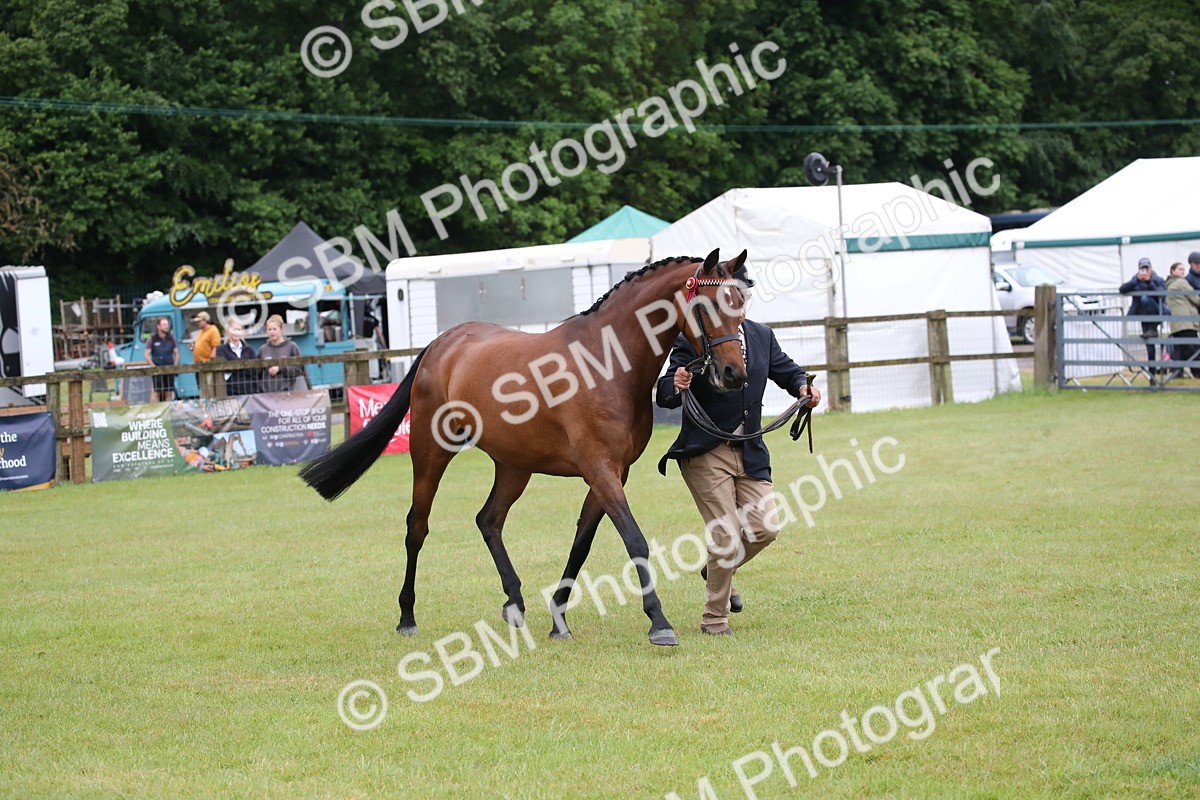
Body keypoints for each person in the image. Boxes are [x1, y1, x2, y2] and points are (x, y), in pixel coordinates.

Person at [655, 280, 821, 636]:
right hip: (705, 452)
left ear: (743, 309)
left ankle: (716, 569)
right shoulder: (695, 339)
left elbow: (787, 372)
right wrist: (678, 382)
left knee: (766, 528)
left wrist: (803, 388)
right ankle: (715, 618)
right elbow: (665, 392)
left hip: (750, 450)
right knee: (727, 535)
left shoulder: (762, 336)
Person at [1119, 258, 1168, 383]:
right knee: (1150, 348)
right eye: (1142, 268)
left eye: (1147, 268)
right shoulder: (1135, 279)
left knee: (1146, 298)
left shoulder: (1158, 279)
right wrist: (1136, 280)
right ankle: (1152, 378)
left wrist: (1150, 282)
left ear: (1151, 268)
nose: (1145, 271)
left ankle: (1154, 376)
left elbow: (1162, 295)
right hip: (1143, 317)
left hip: (1157, 315)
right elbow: (1122, 289)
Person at [258, 314, 310, 393]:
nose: (272, 332)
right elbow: (257, 373)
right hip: (267, 396)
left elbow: (299, 369)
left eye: (274, 329)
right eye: (269, 329)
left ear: (281, 329)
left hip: (287, 393)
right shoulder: (263, 350)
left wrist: (280, 368)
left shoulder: (292, 347)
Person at [1165, 262, 1200, 379]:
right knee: (1193, 348)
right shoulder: (1181, 282)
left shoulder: (1169, 284)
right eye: (1180, 269)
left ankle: (1176, 373)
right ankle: (1197, 372)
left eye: (1183, 270)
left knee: (1179, 349)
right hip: (1187, 322)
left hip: (1176, 323)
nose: (1182, 272)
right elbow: (1195, 298)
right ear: (1172, 271)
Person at [213, 320, 259, 396]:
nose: (236, 332)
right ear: (228, 331)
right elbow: (225, 368)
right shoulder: (221, 350)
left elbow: (255, 369)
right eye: (234, 329)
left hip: (250, 390)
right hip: (230, 391)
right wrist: (246, 365)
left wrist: (235, 366)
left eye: (239, 329)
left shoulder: (249, 349)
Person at [144, 317, 179, 402]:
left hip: (169, 369)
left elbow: (177, 353)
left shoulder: (171, 339)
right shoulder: (152, 339)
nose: (166, 327)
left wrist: (175, 366)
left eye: (167, 325)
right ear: (158, 326)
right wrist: (153, 366)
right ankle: (155, 411)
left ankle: (168, 411)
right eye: (164, 325)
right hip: (157, 369)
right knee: (156, 392)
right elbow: (146, 354)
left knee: (168, 392)